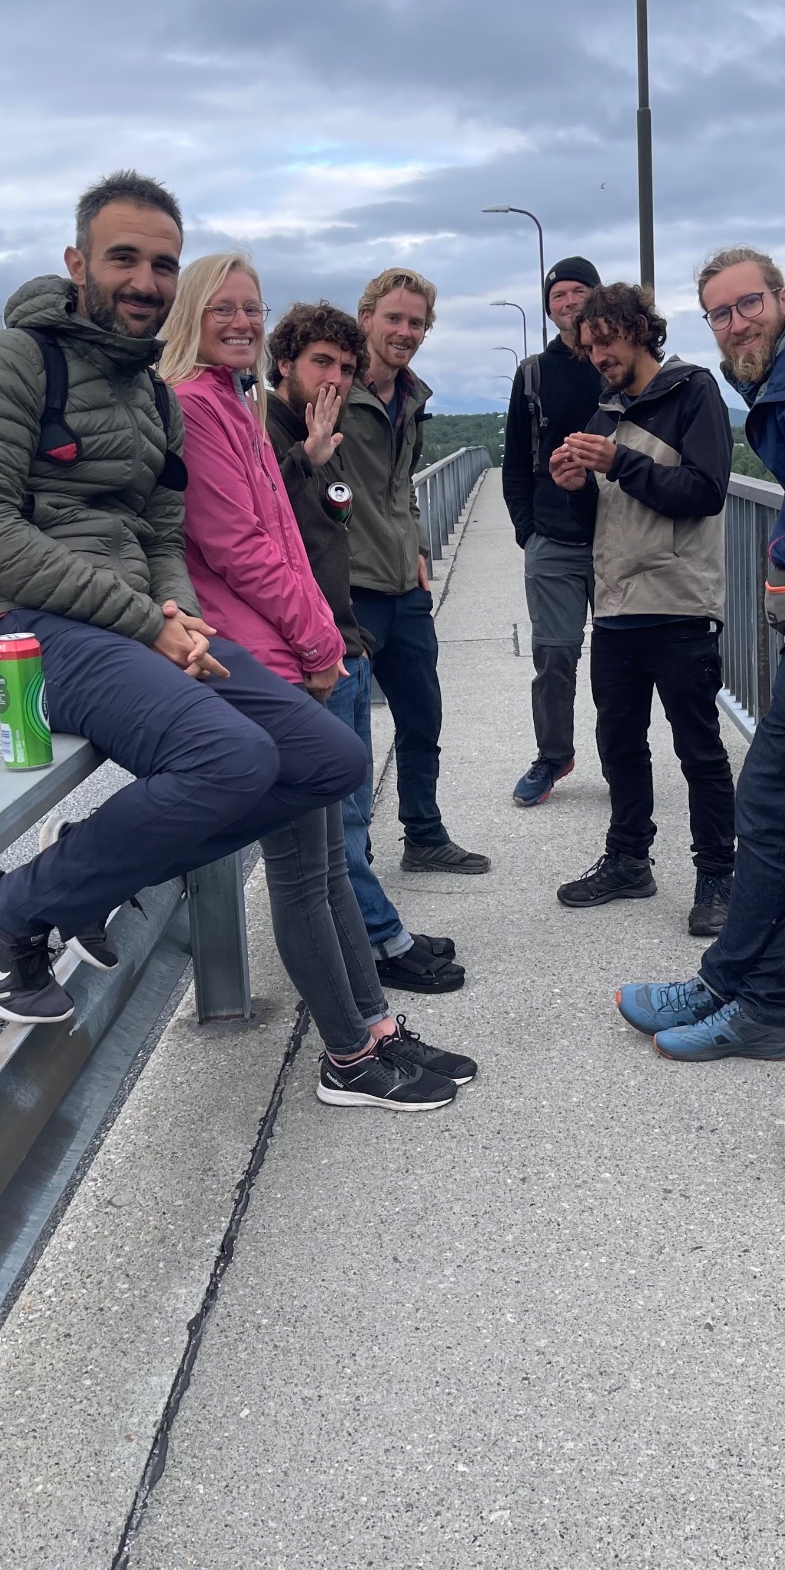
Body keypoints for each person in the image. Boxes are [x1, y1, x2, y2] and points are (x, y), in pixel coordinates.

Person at [0, 172, 368, 1027]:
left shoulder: (151, 397)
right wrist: (147, 621)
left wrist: (175, 615)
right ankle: (6, 910)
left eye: (162, 263)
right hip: (15, 627)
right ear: (77, 261)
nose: (144, 281)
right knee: (232, 759)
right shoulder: (9, 362)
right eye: (123, 257)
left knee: (329, 760)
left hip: (131, 625)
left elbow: (163, 536)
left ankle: (89, 877)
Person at [157, 254, 475, 1111]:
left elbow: (295, 539)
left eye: (251, 308)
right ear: (193, 313)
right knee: (306, 866)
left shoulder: (234, 406)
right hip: (271, 660)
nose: (241, 321)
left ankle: (371, 1027)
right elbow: (242, 551)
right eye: (224, 308)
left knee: (325, 862)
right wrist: (319, 643)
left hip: (300, 651)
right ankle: (347, 1057)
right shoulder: (196, 407)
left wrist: (323, 635)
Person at [618, 245, 785, 1061]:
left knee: (769, 801)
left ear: (783, 298)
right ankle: (751, 996)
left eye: (747, 305)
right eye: (720, 314)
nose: (735, 324)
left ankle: (740, 986)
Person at [263, 299, 465, 994]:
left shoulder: (318, 424)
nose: (336, 380)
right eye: (323, 363)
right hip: (310, 640)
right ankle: (379, 939)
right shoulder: (270, 430)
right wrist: (308, 458)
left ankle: (374, 927)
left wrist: (408, 547)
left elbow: (369, 501)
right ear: (283, 361)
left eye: (345, 370)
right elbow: (255, 532)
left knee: (349, 800)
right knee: (339, 809)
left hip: (338, 628)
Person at [550, 283, 736, 932]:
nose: (598, 354)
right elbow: (600, 519)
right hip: (618, 606)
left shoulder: (693, 391)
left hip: (681, 603)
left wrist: (618, 460)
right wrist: (574, 484)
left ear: (638, 329)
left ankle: (718, 874)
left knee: (699, 747)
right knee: (618, 741)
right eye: (589, 346)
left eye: (606, 339)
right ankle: (629, 859)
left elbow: (707, 490)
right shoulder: (605, 415)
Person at [327, 265, 489, 874]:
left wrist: (418, 544)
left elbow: (404, 488)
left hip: (404, 587)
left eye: (416, 322)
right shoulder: (336, 391)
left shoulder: (412, 398)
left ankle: (424, 835)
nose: (405, 330)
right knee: (354, 740)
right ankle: (355, 859)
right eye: (393, 318)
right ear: (365, 317)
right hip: (352, 591)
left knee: (423, 718)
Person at [502, 256, 603, 807]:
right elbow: (514, 458)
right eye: (559, 294)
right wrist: (527, 529)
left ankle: (622, 759)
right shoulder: (534, 373)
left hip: (617, 539)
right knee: (556, 654)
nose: (568, 302)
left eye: (578, 291)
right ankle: (553, 755)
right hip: (553, 539)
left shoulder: (620, 362)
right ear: (549, 306)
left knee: (620, 662)